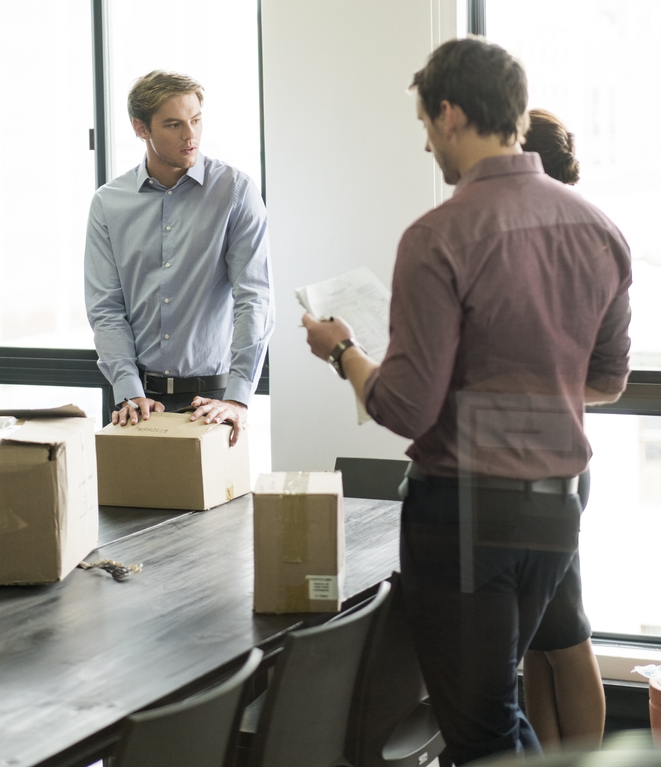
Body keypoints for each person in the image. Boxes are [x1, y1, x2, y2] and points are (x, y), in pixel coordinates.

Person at [303, 38, 631, 765]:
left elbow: (407, 408)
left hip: (462, 511)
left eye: (424, 122)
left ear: (450, 113)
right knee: (495, 716)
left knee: (480, 731)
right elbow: (606, 380)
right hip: (555, 502)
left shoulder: (440, 234)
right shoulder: (601, 230)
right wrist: (525, 388)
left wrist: (343, 352)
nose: (426, 142)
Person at [84, 70, 274, 446]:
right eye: (174, 124)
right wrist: (127, 389)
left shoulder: (235, 192)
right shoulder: (109, 203)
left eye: (196, 120)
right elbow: (106, 307)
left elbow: (255, 298)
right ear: (141, 129)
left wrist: (238, 398)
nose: (191, 135)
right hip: (136, 400)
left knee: (219, 506)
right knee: (128, 504)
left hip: (213, 401)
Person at [521, 109, 605, 747]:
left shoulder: (573, 238)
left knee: (566, 636)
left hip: (552, 464)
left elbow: (603, 372)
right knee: (535, 645)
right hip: (518, 461)